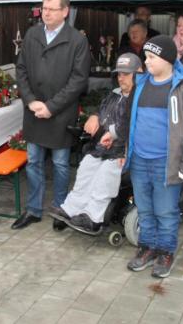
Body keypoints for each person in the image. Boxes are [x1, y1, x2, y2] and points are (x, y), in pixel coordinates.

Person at [124, 35, 183, 278]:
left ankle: (166, 251)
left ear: (168, 59)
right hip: (139, 160)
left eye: (151, 57)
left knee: (166, 211)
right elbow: (129, 119)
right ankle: (146, 247)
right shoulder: (141, 85)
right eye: (146, 57)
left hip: (166, 164)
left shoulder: (182, 88)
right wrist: (122, 149)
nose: (146, 62)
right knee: (144, 208)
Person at [13, 0, 90, 230]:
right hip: (34, 111)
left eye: (51, 9)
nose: (45, 13)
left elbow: (78, 81)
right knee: (34, 161)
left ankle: (60, 210)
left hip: (60, 114)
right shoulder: (32, 34)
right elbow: (21, 69)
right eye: (43, 9)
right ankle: (34, 210)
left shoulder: (77, 40)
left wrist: (51, 107)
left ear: (65, 12)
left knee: (59, 163)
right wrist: (29, 100)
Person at [48, 53, 141, 234]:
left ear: (138, 74)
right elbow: (100, 111)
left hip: (123, 151)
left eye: (126, 74)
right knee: (86, 167)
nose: (121, 78)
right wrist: (94, 116)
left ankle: (93, 217)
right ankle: (71, 209)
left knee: (105, 174)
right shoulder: (113, 95)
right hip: (102, 148)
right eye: (119, 74)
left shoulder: (139, 99)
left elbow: (132, 125)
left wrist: (114, 138)